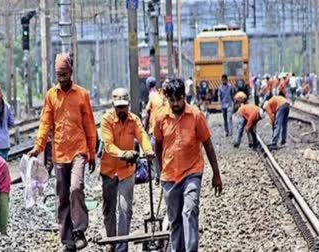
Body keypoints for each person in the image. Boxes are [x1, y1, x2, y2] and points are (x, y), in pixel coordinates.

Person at [28, 53, 97, 251]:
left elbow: (90, 126)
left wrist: (91, 153)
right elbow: (45, 123)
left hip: (78, 151)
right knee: (62, 195)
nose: (62, 78)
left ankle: (79, 230)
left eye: (64, 74)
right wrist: (38, 147)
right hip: (59, 152)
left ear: (71, 72)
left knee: (76, 188)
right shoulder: (51, 96)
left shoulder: (82, 94)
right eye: (59, 74)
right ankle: (67, 240)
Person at [154, 79, 223, 252]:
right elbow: (158, 145)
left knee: (190, 210)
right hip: (169, 175)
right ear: (167, 98)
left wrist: (216, 174)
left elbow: (208, 144)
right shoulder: (161, 117)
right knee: (175, 220)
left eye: (179, 99)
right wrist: (160, 171)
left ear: (185, 96)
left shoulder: (196, 116)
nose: (176, 103)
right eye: (172, 100)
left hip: (192, 172)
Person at [100, 88, 154, 252]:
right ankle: (112, 242)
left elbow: (142, 134)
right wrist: (124, 154)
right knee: (109, 210)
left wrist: (148, 149)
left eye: (124, 106)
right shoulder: (106, 120)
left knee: (125, 209)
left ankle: (121, 248)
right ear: (113, 106)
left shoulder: (134, 120)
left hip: (126, 172)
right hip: (109, 171)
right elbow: (108, 145)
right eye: (118, 107)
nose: (121, 110)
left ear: (129, 105)